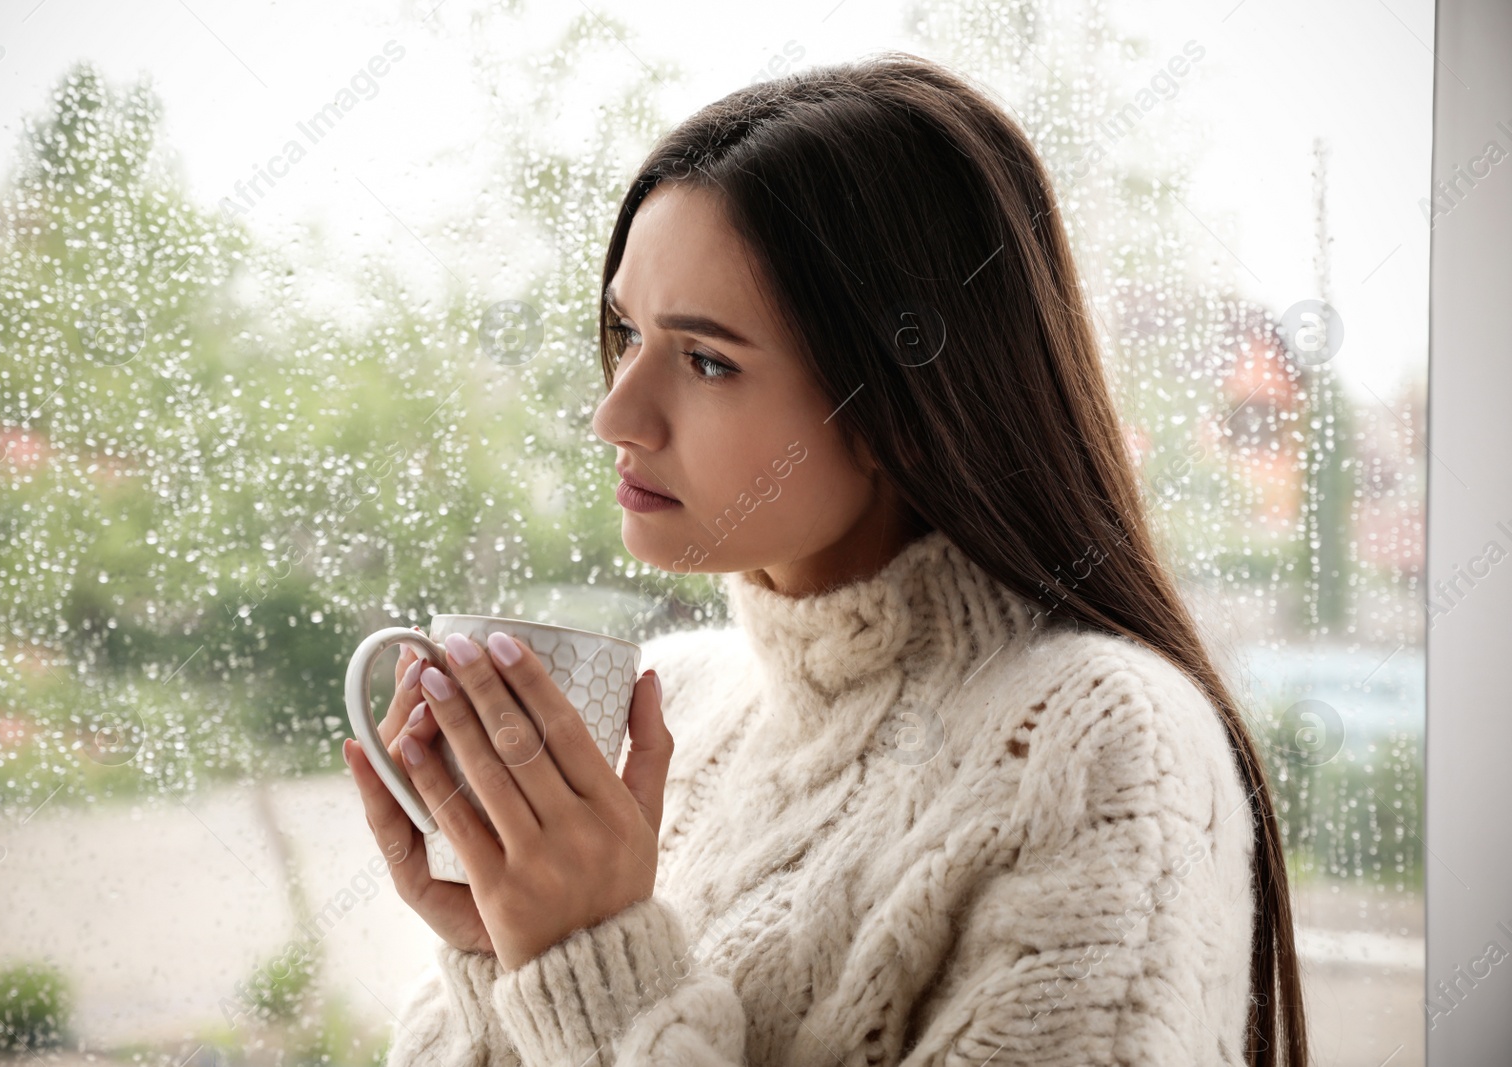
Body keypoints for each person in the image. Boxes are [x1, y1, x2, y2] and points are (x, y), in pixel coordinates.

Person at [343, 50, 1307, 1067]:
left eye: (708, 358)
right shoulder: (683, 701)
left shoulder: (1096, 743)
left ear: (906, 405)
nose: (613, 412)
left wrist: (590, 964)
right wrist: (501, 940)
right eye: (625, 331)